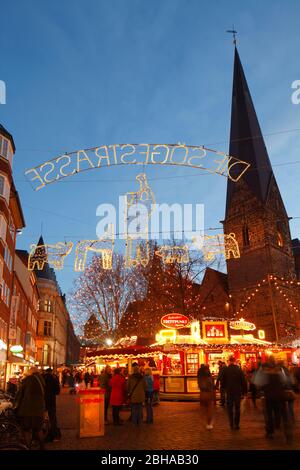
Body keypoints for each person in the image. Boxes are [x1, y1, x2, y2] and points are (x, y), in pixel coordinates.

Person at [253, 357, 292, 442]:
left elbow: (257, 382)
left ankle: (270, 432)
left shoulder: (264, 371)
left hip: (269, 396)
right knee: (280, 412)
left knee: (269, 414)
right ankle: (282, 427)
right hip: (280, 395)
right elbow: (285, 381)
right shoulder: (279, 370)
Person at [14, 367, 46, 450]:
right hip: (39, 409)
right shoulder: (41, 380)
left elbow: (20, 394)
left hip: (27, 409)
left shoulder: (27, 380)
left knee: (26, 429)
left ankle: (28, 447)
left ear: (29, 372)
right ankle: (42, 446)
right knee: (38, 429)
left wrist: (15, 405)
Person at [221, 356, 248, 430]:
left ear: (229, 361)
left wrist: (224, 389)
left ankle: (231, 423)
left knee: (229, 408)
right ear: (235, 361)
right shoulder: (239, 370)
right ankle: (237, 424)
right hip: (237, 391)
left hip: (229, 391)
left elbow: (222, 381)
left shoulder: (226, 370)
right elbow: (243, 381)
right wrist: (244, 391)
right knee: (237, 407)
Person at [43, 368, 61, 442]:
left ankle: (39, 435)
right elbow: (57, 391)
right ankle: (54, 436)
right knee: (53, 418)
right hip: (51, 401)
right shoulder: (54, 379)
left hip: (42, 400)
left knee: (41, 417)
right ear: (51, 372)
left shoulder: (41, 378)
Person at [197, 364, 215, 430]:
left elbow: (199, 386)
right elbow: (211, 386)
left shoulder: (200, 378)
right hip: (208, 394)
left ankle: (202, 423)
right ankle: (209, 424)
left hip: (202, 393)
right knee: (209, 409)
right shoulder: (209, 378)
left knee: (202, 409)